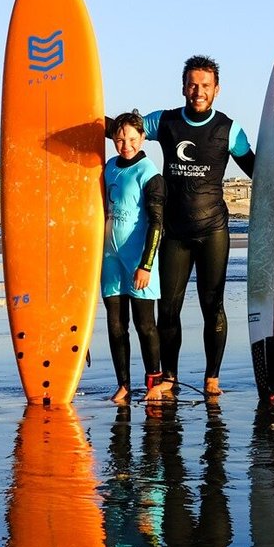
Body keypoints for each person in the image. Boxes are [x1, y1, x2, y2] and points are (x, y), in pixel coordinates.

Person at [138, 55, 255, 396]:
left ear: (216, 90)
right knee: (168, 308)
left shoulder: (229, 130)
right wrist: (87, 116)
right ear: (183, 87)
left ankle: (212, 378)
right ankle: (170, 377)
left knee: (212, 306)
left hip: (213, 231)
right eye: (192, 84)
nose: (198, 91)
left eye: (205, 85)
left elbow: (258, 171)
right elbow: (125, 130)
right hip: (174, 232)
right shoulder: (165, 121)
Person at [102, 112, 173, 404]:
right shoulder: (108, 168)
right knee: (116, 324)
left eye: (132, 138)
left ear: (143, 138)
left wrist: (146, 265)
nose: (126, 144)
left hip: (139, 259)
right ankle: (123, 384)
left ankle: (154, 381)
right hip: (110, 258)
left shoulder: (149, 173)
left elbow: (157, 224)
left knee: (145, 325)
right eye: (120, 138)